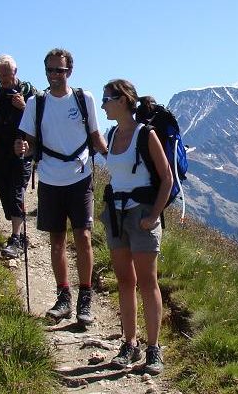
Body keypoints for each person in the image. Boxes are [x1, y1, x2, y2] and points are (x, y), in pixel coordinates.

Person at [14, 48, 108, 325]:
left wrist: (115, 161)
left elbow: (95, 135)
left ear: (70, 71)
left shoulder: (83, 99)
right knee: (56, 241)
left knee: (84, 238)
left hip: (80, 176)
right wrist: (21, 147)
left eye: (60, 70)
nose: (56, 75)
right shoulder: (36, 102)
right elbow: (28, 141)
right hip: (50, 178)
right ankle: (64, 297)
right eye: (51, 70)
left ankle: (85, 299)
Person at [99, 79, 173, 374]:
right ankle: (129, 344)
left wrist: (154, 215)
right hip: (116, 214)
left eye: (107, 98)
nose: (104, 104)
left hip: (141, 214)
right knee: (125, 281)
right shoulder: (112, 133)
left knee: (147, 281)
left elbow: (166, 177)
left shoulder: (146, 134)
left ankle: (153, 349)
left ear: (122, 100)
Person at [0, 54, 39, 259]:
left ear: (15, 71)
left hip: (21, 148)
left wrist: (24, 107)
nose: (3, 77)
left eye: (6, 73)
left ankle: (17, 238)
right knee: (4, 191)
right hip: (0, 149)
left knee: (16, 191)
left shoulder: (29, 92)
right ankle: (17, 228)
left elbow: (40, 123)